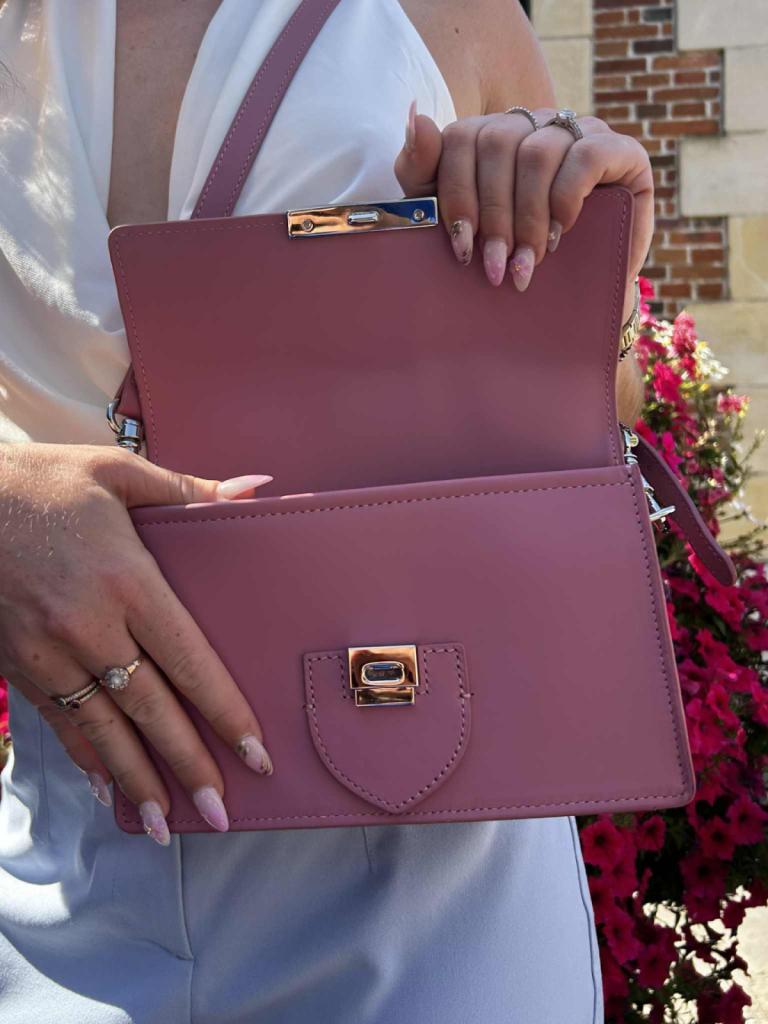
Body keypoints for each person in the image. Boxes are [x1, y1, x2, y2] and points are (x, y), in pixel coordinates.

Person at [0, 1, 653, 1021]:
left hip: (425, 863)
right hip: (73, 842)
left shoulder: (445, 16)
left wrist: (587, 266)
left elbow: (608, 408)